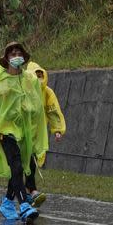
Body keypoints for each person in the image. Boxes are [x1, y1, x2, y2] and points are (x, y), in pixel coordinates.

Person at [0, 42, 48, 223]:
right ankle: (23, 204)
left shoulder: (29, 80)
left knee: (20, 167)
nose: (16, 56)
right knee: (15, 165)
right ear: (7, 58)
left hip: (24, 131)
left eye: (19, 53)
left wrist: (35, 128)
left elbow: (36, 105)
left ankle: (7, 201)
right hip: (5, 130)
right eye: (12, 54)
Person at [25, 62, 66, 208]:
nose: (39, 78)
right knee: (24, 161)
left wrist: (58, 129)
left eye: (40, 75)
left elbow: (53, 110)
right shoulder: (24, 90)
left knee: (32, 159)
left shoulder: (47, 92)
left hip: (38, 133)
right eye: (35, 75)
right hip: (22, 131)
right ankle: (30, 190)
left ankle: (28, 190)